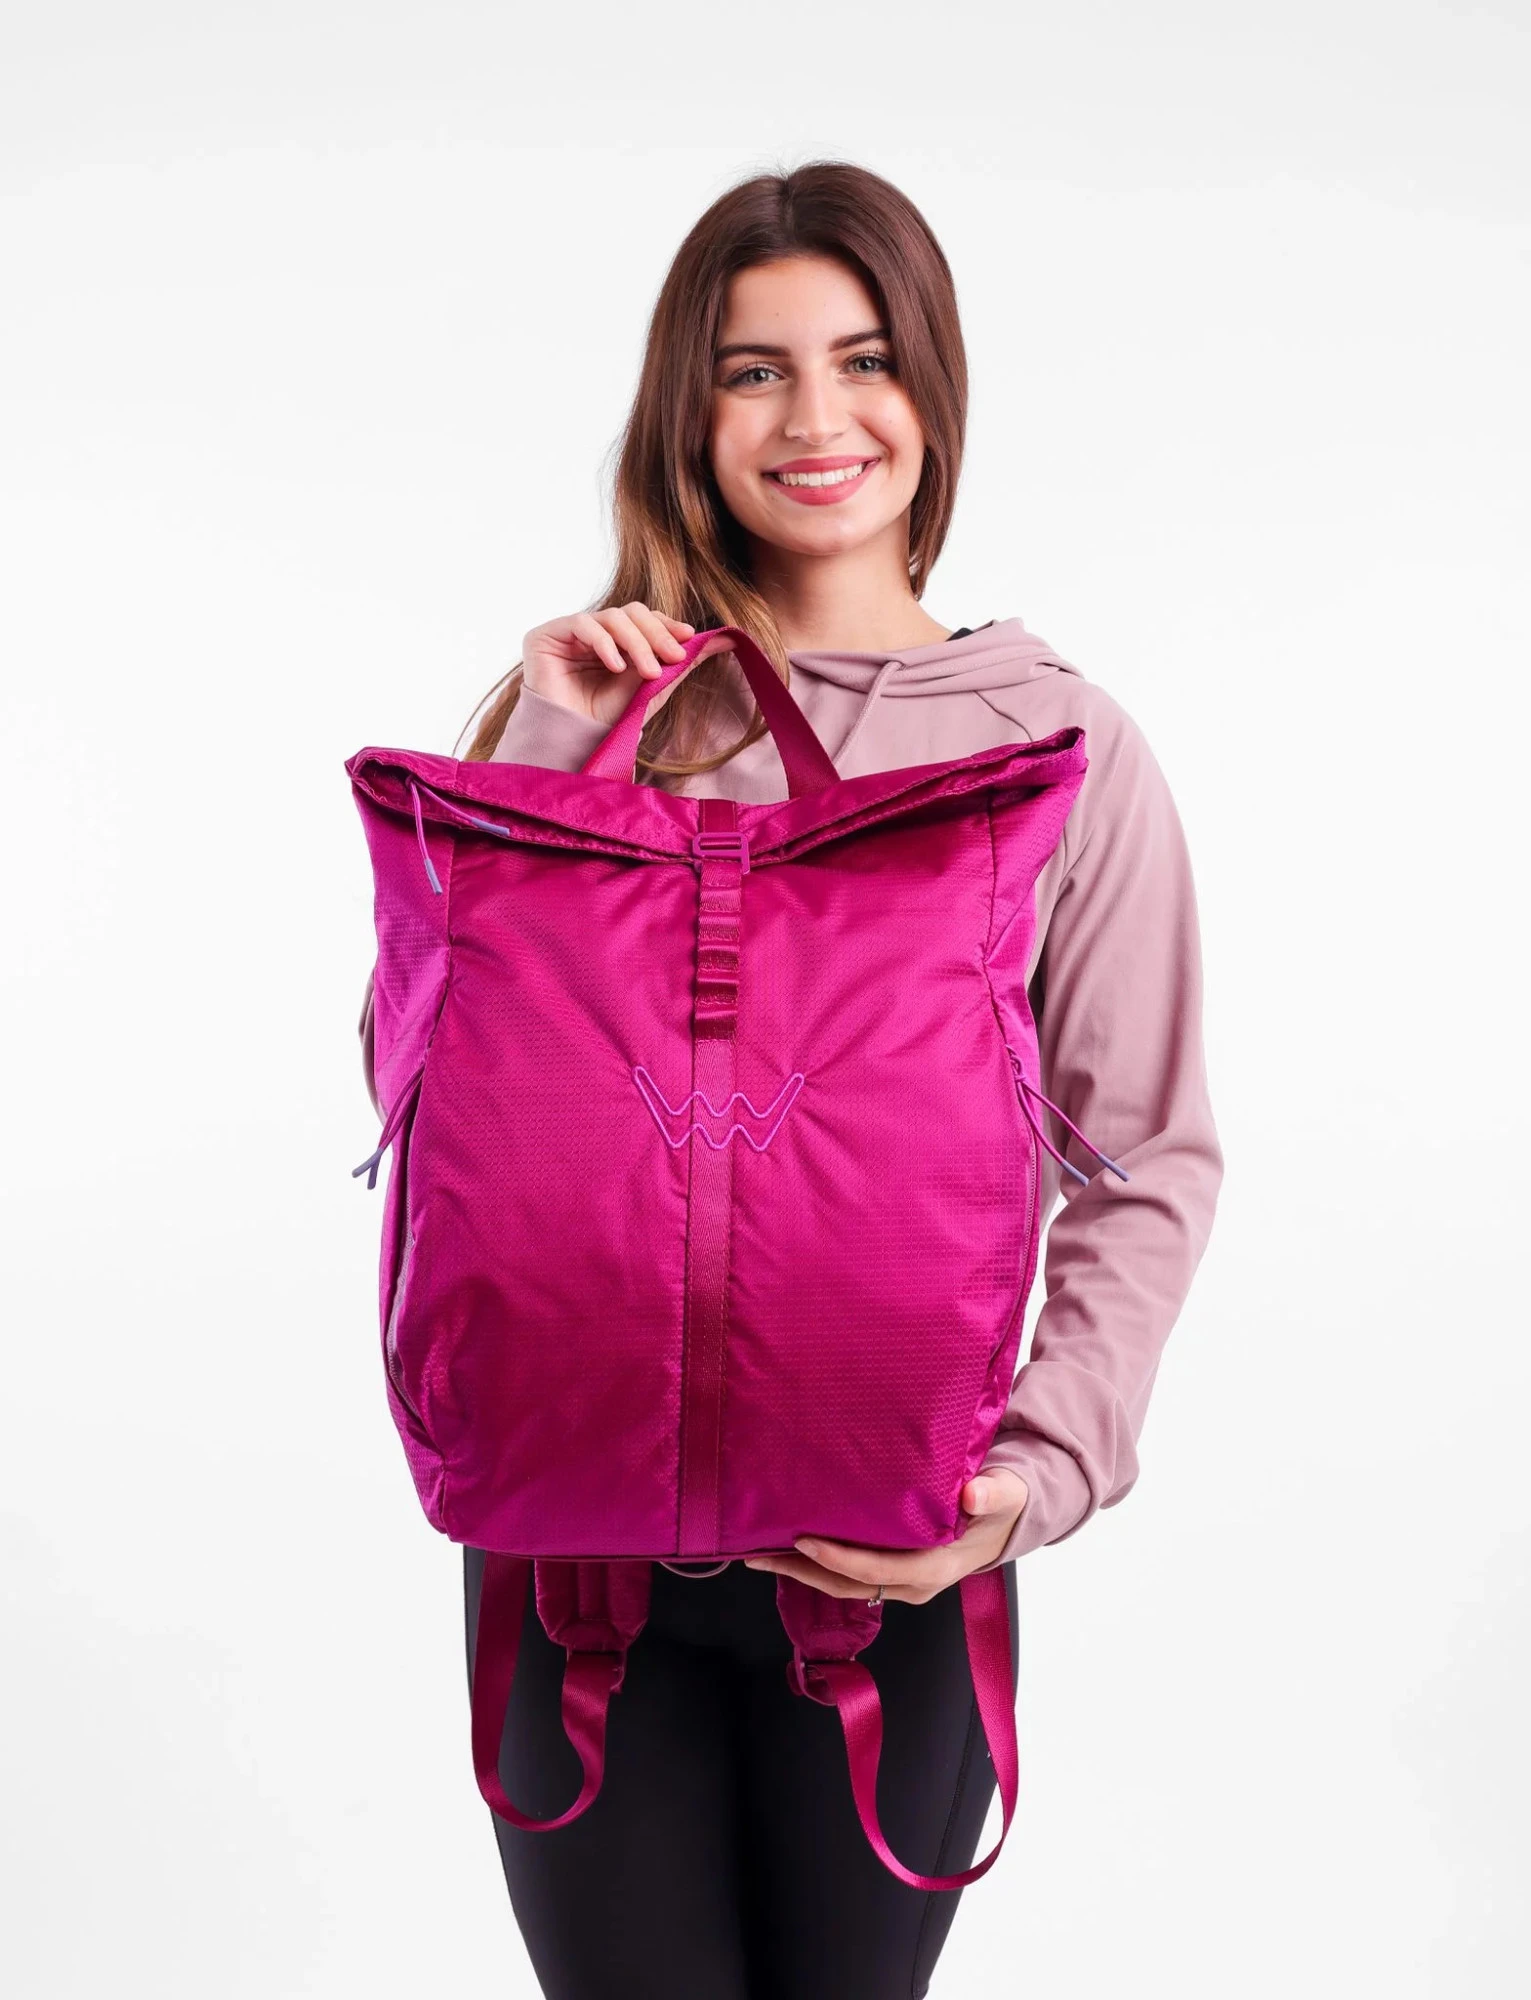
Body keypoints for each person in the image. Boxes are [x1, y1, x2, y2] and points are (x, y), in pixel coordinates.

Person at [357, 159, 1224, 2000]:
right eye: (752, 372)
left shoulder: (1053, 742)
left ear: (933, 387)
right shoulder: (587, 706)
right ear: (688, 411)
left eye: (863, 359)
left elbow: (1145, 1153)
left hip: (892, 1572)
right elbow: (421, 1102)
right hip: (572, 1567)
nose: (815, 419)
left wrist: (1035, 1474)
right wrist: (563, 750)